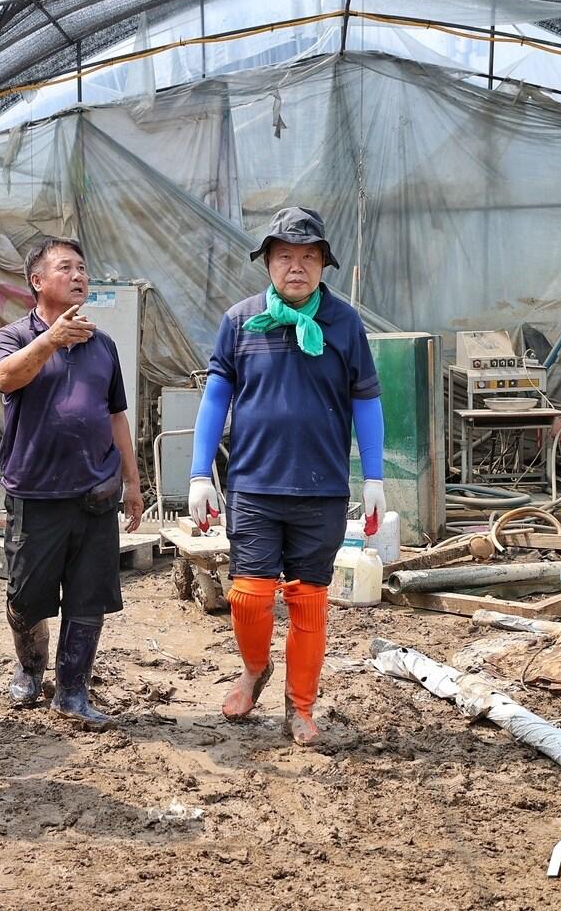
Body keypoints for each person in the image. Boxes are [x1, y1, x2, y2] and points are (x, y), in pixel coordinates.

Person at [187, 207, 386, 746]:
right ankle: (255, 669)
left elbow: (366, 400)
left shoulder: (344, 324)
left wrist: (375, 477)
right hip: (252, 484)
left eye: (307, 257)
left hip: (321, 489)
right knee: (250, 596)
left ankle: (300, 707)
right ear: (267, 264)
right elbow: (215, 398)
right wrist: (199, 473)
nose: (295, 267)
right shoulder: (239, 320)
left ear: (323, 264)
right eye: (284, 257)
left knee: (308, 601)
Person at [0, 236, 143, 731]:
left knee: (88, 596)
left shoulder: (103, 346)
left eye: (83, 267)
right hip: (35, 490)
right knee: (26, 595)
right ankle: (31, 670)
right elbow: (6, 379)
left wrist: (133, 483)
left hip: (96, 491)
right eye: (65, 267)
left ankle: (73, 691)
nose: (79, 275)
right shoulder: (13, 337)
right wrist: (51, 340)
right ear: (37, 282)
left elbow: (117, 416)